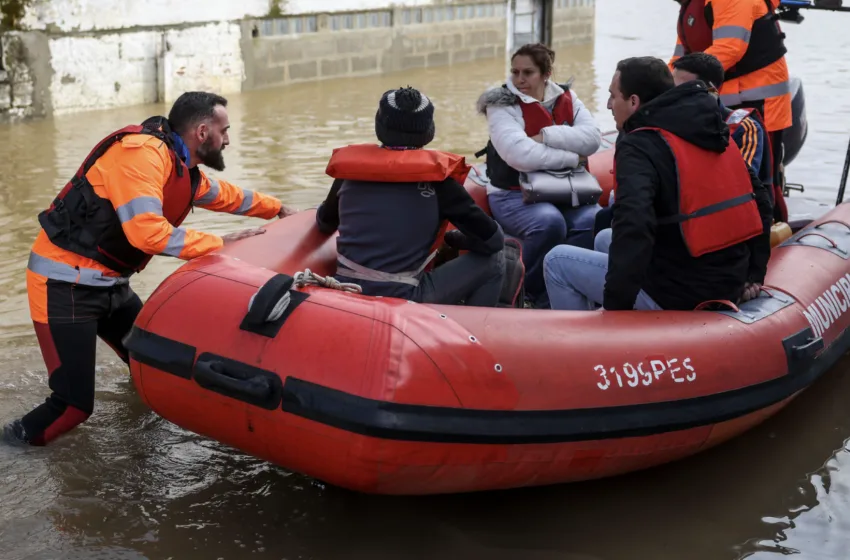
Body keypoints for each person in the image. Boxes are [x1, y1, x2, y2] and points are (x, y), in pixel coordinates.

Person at [3, 92, 295, 446]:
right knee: (73, 406)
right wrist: (222, 245)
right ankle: (10, 447)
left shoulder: (180, 167)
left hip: (109, 285)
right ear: (203, 132)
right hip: (63, 285)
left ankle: (140, 436)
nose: (229, 139)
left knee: (152, 364)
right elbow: (147, 234)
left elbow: (226, 195)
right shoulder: (140, 156)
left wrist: (278, 209)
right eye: (225, 130)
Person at [543, 56, 773, 311]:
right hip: (726, 277)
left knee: (557, 261)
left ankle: (585, 346)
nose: (608, 105)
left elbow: (635, 225)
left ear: (633, 102)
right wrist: (754, 274)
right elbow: (761, 201)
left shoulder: (638, 145)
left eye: (613, 96)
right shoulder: (711, 130)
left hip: (679, 291)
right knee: (606, 238)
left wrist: (615, 309)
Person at [317, 86, 506, 306]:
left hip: (346, 289)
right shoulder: (441, 184)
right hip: (405, 295)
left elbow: (324, 223)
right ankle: (476, 330)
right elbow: (493, 241)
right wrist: (453, 239)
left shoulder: (349, 173)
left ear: (379, 125)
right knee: (496, 260)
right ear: (429, 131)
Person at [476, 43, 602, 309]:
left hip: (564, 188)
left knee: (592, 219)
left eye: (528, 72)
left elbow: (591, 140)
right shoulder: (501, 105)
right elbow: (520, 155)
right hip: (512, 192)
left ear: (546, 74)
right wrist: (571, 158)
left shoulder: (568, 98)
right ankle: (531, 293)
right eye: (515, 72)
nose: (519, 79)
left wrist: (546, 135)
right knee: (549, 222)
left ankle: (572, 291)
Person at [670, 0, 791, 222]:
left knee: (760, 182)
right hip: (720, 101)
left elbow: (729, 49)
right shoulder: (692, 6)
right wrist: (662, 86)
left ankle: (768, 230)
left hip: (759, 102)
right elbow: (681, 59)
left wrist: (678, 87)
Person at [671, 52, 774, 204]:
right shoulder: (666, 122)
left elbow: (741, 184)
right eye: (672, 89)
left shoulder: (743, 128)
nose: (674, 96)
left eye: (684, 90)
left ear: (711, 92)